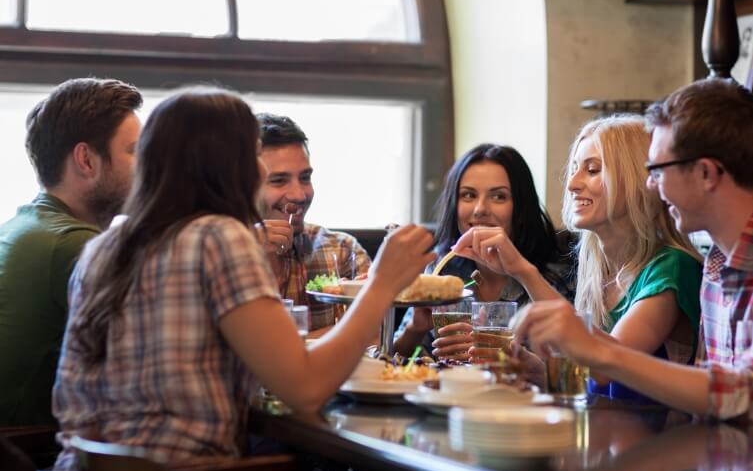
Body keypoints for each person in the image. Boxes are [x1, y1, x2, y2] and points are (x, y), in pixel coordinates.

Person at [34, 89, 434, 471]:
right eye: (251, 152)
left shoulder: (105, 246)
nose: (259, 168)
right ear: (224, 164)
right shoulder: (219, 238)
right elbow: (304, 390)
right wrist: (382, 285)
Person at [516, 78, 753, 425]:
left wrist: (603, 353)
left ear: (706, 173)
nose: (650, 184)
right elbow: (705, 411)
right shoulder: (718, 261)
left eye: (657, 170)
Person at [454, 116, 703, 397]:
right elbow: (591, 384)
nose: (572, 183)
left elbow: (607, 366)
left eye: (592, 170)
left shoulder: (671, 268)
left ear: (637, 180)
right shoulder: (598, 270)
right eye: (574, 169)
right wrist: (539, 373)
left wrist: (522, 271)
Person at [0, 78, 142, 427]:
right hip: (32, 454)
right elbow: (151, 360)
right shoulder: (74, 245)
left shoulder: (23, 225)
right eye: (135, 151)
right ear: (86, 160)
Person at [393, 143, 575, 360]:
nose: (480, 209)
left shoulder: (560, 270)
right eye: (468, 195)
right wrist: (415, 329)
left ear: (521, 207)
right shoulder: (442, 268)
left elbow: (576, 357)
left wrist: (522, 271)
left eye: (499, 197)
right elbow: (392, 362)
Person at [256, 113, 371, 333]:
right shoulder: (219, 255)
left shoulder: (342, 250)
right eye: (279, 181)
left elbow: (373, 336)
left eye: (305, 178)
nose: (299, 195)